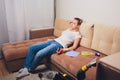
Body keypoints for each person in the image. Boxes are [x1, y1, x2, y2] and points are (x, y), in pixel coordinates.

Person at [16, 17, 83, 79]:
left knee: (40, 54)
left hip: (59, 45)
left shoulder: (77, 35)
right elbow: (62, 37)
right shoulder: (68, 29)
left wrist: (64, 50)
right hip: (53, 41)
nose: (71, 24)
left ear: (78, 26)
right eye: (71, 22)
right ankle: (26, 68)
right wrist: (51, 40)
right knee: (32, 47)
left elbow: (74, 47)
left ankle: (30, 69)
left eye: (74, 23)